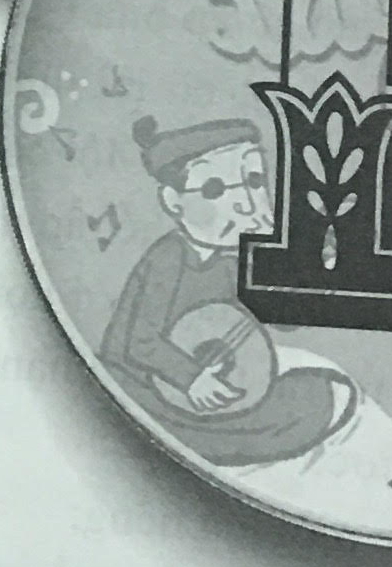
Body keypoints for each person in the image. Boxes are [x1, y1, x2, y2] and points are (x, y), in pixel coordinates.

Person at [96, 115, 353, 465]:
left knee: (318, 395)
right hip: (147, 387)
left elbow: (281, 318)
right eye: (215, 189)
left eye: (254, 181)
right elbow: (140, 342)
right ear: (173, 201)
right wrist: (191, 379)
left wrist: (315, 271)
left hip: (215, 376)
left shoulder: (233, 261)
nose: (247, 203)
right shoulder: (168, 258)